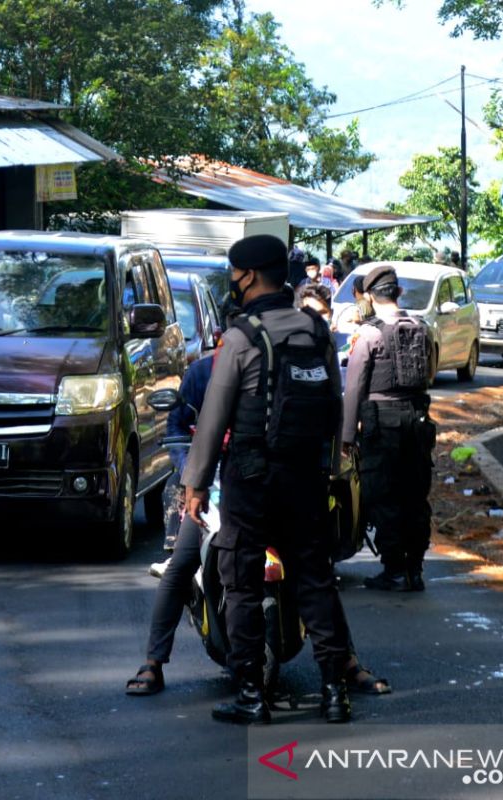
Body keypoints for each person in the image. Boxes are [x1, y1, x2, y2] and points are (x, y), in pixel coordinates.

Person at [182, 234, 355, 725]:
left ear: (249, 276)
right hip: (306, 478)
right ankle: (334, 692)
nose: (232, 284)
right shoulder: (317, 332)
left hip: (251, 478)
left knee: (240, 582)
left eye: (234, 275)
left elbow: (213, 418)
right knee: (314, 579)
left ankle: (251, 696)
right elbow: (335, 409)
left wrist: (195, 485)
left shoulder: (241, 337)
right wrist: (332, 471)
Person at [341, 265, 436, 592]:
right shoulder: (422, 328)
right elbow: (430, 374)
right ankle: (415, 569)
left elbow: (354, 388)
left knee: (384, 495)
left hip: (382, 424)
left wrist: (347, 437)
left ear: (369, 296)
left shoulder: (369, 334)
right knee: (415, 495)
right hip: (418, 422)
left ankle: (394, 569)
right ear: (399, 293)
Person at [125, 352, 215, 696]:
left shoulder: (280, 366)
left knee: (311, 566)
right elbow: (177, 428)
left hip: (268, 488)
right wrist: (191, 472)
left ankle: (343, 665)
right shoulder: (205, 371)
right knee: (180, 565)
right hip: (215, 488)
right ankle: (153, 662)